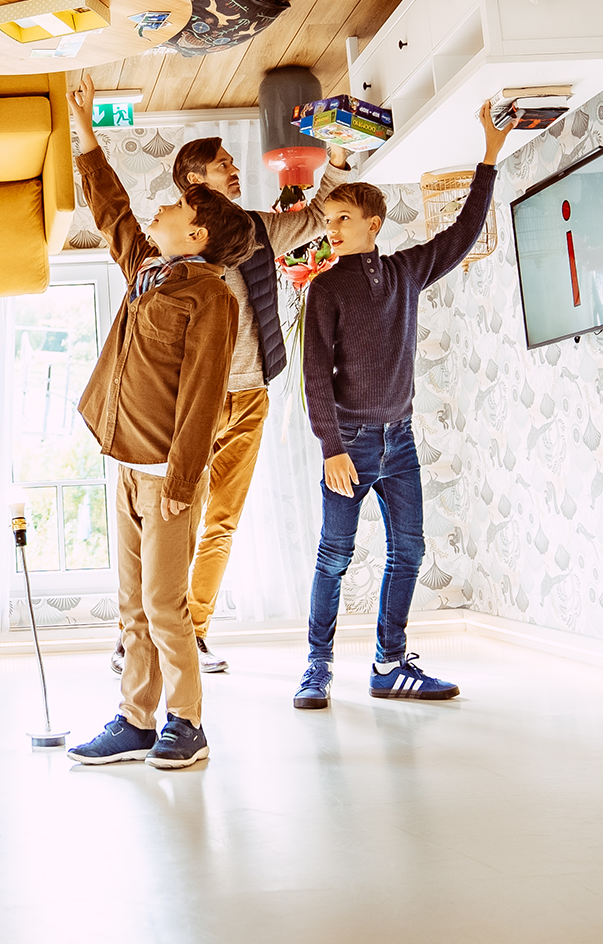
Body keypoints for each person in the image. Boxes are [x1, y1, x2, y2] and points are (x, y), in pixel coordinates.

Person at [292, 103, 517, 710]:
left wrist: (489, 155)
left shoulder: (408, 271)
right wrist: (332, 449)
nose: (331, 227)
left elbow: (464, 232)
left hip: (402, 443)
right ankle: (316, 669)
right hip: (352, 445)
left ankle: (390, 664)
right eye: (329, 218)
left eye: (343, 217)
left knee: (409, 551)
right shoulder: (324, 287)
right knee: (334, 556)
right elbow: (315, 378)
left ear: (373, 223)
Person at [63, 72, 256, 770]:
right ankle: (134, 719)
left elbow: (204, 398)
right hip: (128, 470)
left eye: (175, 206)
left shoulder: (211, 295)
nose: (162, 210)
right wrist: (86, 130)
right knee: (134, 608)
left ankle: (187, 722)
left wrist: (181, 480)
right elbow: (112, 211)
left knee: (165, 604)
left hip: (169, 479)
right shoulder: (151, 271)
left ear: (196, 232)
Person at [109, 134, 354, 677]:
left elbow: (315, 217)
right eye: (223, 165)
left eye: (233, 162)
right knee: (180, 516)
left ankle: (193, 631)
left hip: (250, 394)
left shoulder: (259, 231)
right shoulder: (169, 250)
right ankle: (145, 635)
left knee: (222, 520)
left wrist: (337, 159)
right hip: (193, 404)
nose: (235, 169)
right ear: (194, 183)